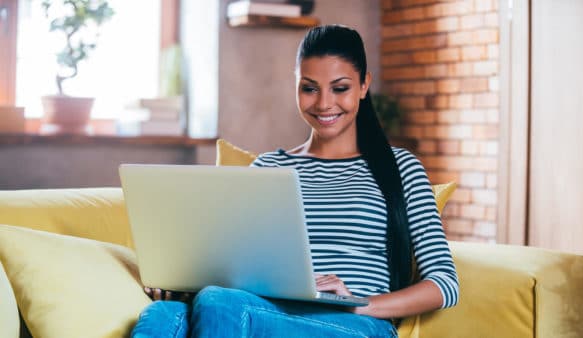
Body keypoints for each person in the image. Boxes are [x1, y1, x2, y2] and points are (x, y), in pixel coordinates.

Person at [131, 24, 459, 338]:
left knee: (219, 303)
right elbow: (238, 263)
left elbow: (444, 284)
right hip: (263, 312)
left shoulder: (401, 167)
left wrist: (360, 305)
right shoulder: (269, 168)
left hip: (355, 325)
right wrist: (180, 283)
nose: (324, 103)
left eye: (340, 88)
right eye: (309, 88)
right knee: (164, 315)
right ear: (296, 86)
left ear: (363, 85)